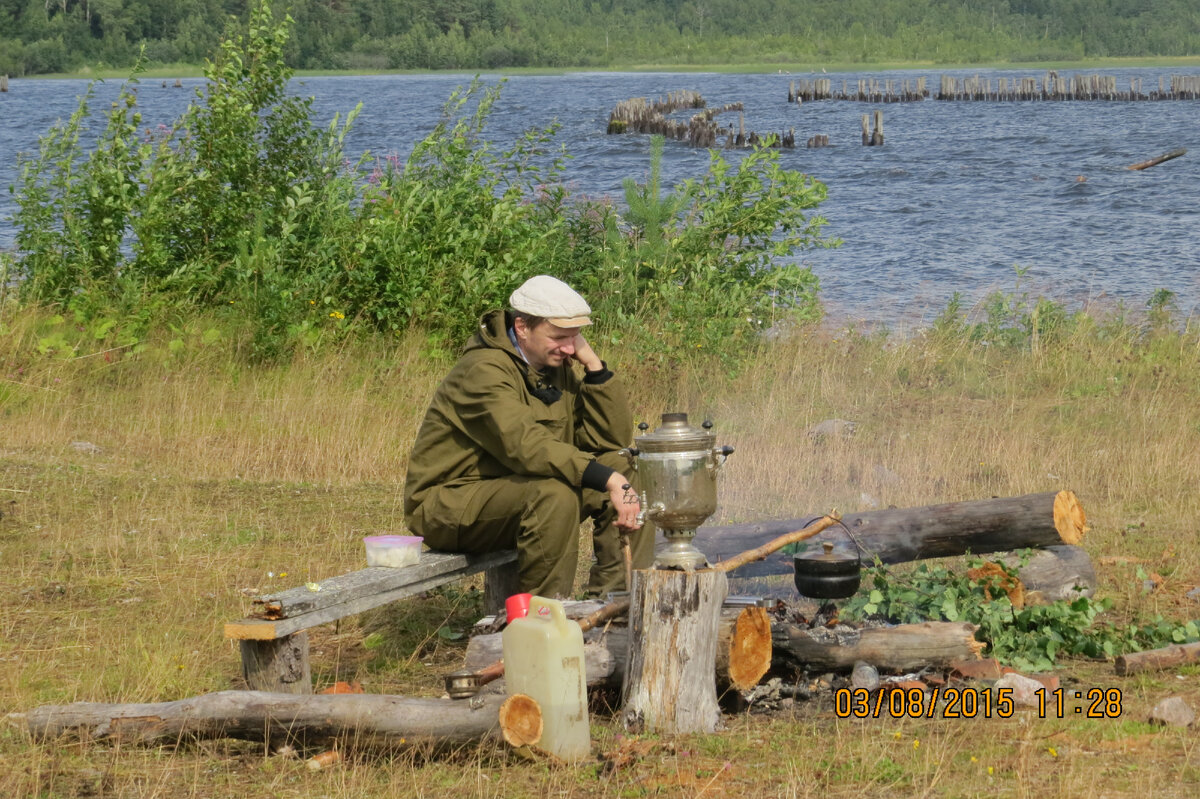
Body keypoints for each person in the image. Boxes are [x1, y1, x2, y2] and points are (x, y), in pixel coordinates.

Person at [403, 275, 653, 598]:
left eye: (575, 337)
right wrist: (606, 478)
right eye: (559, 336)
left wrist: (594, 367)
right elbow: (527, 446)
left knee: (628, 473)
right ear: (522, 326)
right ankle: (544, 622)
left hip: (518, 490)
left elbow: (610, 443)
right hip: (447, 504)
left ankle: (616, 605)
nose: (568, 347)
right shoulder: (483, 371)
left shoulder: (554, 365)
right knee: (555, 495)